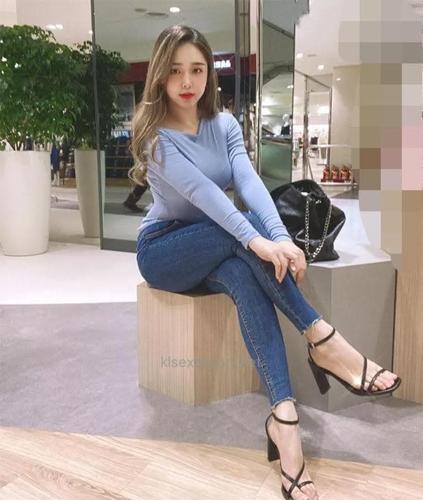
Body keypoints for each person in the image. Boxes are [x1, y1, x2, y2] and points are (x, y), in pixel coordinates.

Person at [130, 25, 401, 500]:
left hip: (218, 245)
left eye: (197, 69)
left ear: (209, 73)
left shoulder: (224, 125)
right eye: (175, 71)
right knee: (240, 233)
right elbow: (208, 197)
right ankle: (323, 339)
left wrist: (280, 239)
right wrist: (261, 240)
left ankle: (284, 417)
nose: (187, 81)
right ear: (159, 75)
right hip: (165, 250)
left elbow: (248, 181)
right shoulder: (157, 139)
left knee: (243, 269)